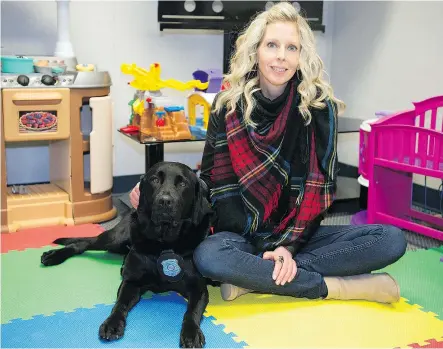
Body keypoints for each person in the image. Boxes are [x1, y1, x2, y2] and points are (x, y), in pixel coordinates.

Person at [130, 1, 407, 303]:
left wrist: (287, 248)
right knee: (208, 257)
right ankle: (335, 288)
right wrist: (151, 190)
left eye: (292, 48)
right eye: (272, 45)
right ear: (255, 51)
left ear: (302, 56)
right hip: (239, 235)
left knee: (390, 240)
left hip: (298, 234)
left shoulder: (319, 108)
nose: (280, 57)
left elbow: (322, 191)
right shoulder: (227, 105)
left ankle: (253, 278)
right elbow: (208, 179)